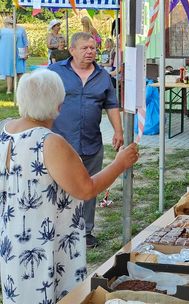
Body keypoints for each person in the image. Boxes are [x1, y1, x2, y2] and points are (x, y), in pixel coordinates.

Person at [0, 69, 138, 304]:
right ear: (58, 104)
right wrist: (119, 164)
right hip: (48, 245)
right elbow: (85, 188)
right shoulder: (49, 142)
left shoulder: (5, 129)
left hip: (13, 241)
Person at [49, 32, 124, 248]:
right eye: (85, 48)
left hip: (90, 142)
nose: (90, 51)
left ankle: (86, 231)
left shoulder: (103, 76)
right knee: (57, 187)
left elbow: (111, 105)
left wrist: (118, 131)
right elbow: (41, 97)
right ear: (72, 50)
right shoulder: (55, 72)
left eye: (93, 48)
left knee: (89, 187)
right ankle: (56, 229)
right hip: (59, 142)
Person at [0, 16, 28, 94]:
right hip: (8, 53)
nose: (10, 19)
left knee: (20, 71)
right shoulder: (3, 30)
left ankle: (22, 89)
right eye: (9, 18)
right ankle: (9, 89)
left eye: (12, 18)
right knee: (9, 71)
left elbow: (25, 42)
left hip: (19, 52)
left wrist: (26, 52)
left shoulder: (21, 29)